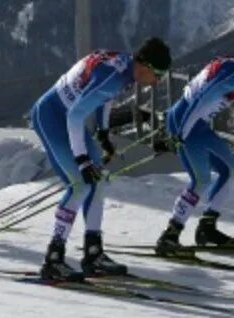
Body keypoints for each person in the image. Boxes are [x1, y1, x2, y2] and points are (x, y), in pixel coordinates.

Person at [32, 37, 172, 281]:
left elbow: (104, 98)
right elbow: (75, 116)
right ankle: (53, 259)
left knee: (97, 181)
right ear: (144, 65)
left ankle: (93, 253)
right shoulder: (115, 76)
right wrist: (83, 160)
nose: (157, 81)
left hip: (65, 116)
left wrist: (104, 132)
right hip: (53, 117)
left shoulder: (125, 68)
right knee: (80, 184)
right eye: (157, 74)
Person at [153, 31, 234, 256]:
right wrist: (177, 134)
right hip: (186, 122)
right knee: (201, 178)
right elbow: (197, 102)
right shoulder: (232, 74)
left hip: (197, 124)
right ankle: (170, 235)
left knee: (230, 168)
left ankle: (207, 227)